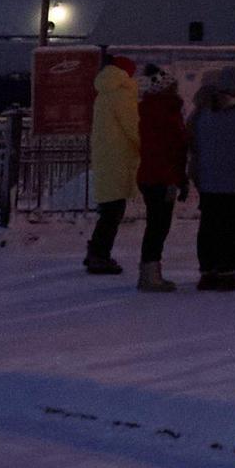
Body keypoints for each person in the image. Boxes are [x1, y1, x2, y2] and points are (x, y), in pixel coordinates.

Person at [187, 75, 235, 290]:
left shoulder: (202, 115)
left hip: (209, 182)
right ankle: (232, 271)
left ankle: (209, 270)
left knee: (210, 226)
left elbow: (194, 144)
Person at [80, 52, 144, 274]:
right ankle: (99, 255)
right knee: (113, 213)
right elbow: (134, 127)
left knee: (109, 210)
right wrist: (147, 146)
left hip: (107, 159)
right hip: (119, 159)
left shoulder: (104, 93)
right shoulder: (121, 94)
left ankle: (96, 252)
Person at [130, 66, 190, 290]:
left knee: (156, 225)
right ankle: (150, 274)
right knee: (158, 226)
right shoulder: (167, 113)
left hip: (151, 174)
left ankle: (149, 271)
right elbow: (172, 148)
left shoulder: (149, 110)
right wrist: (176, 179)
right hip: (162, 177)